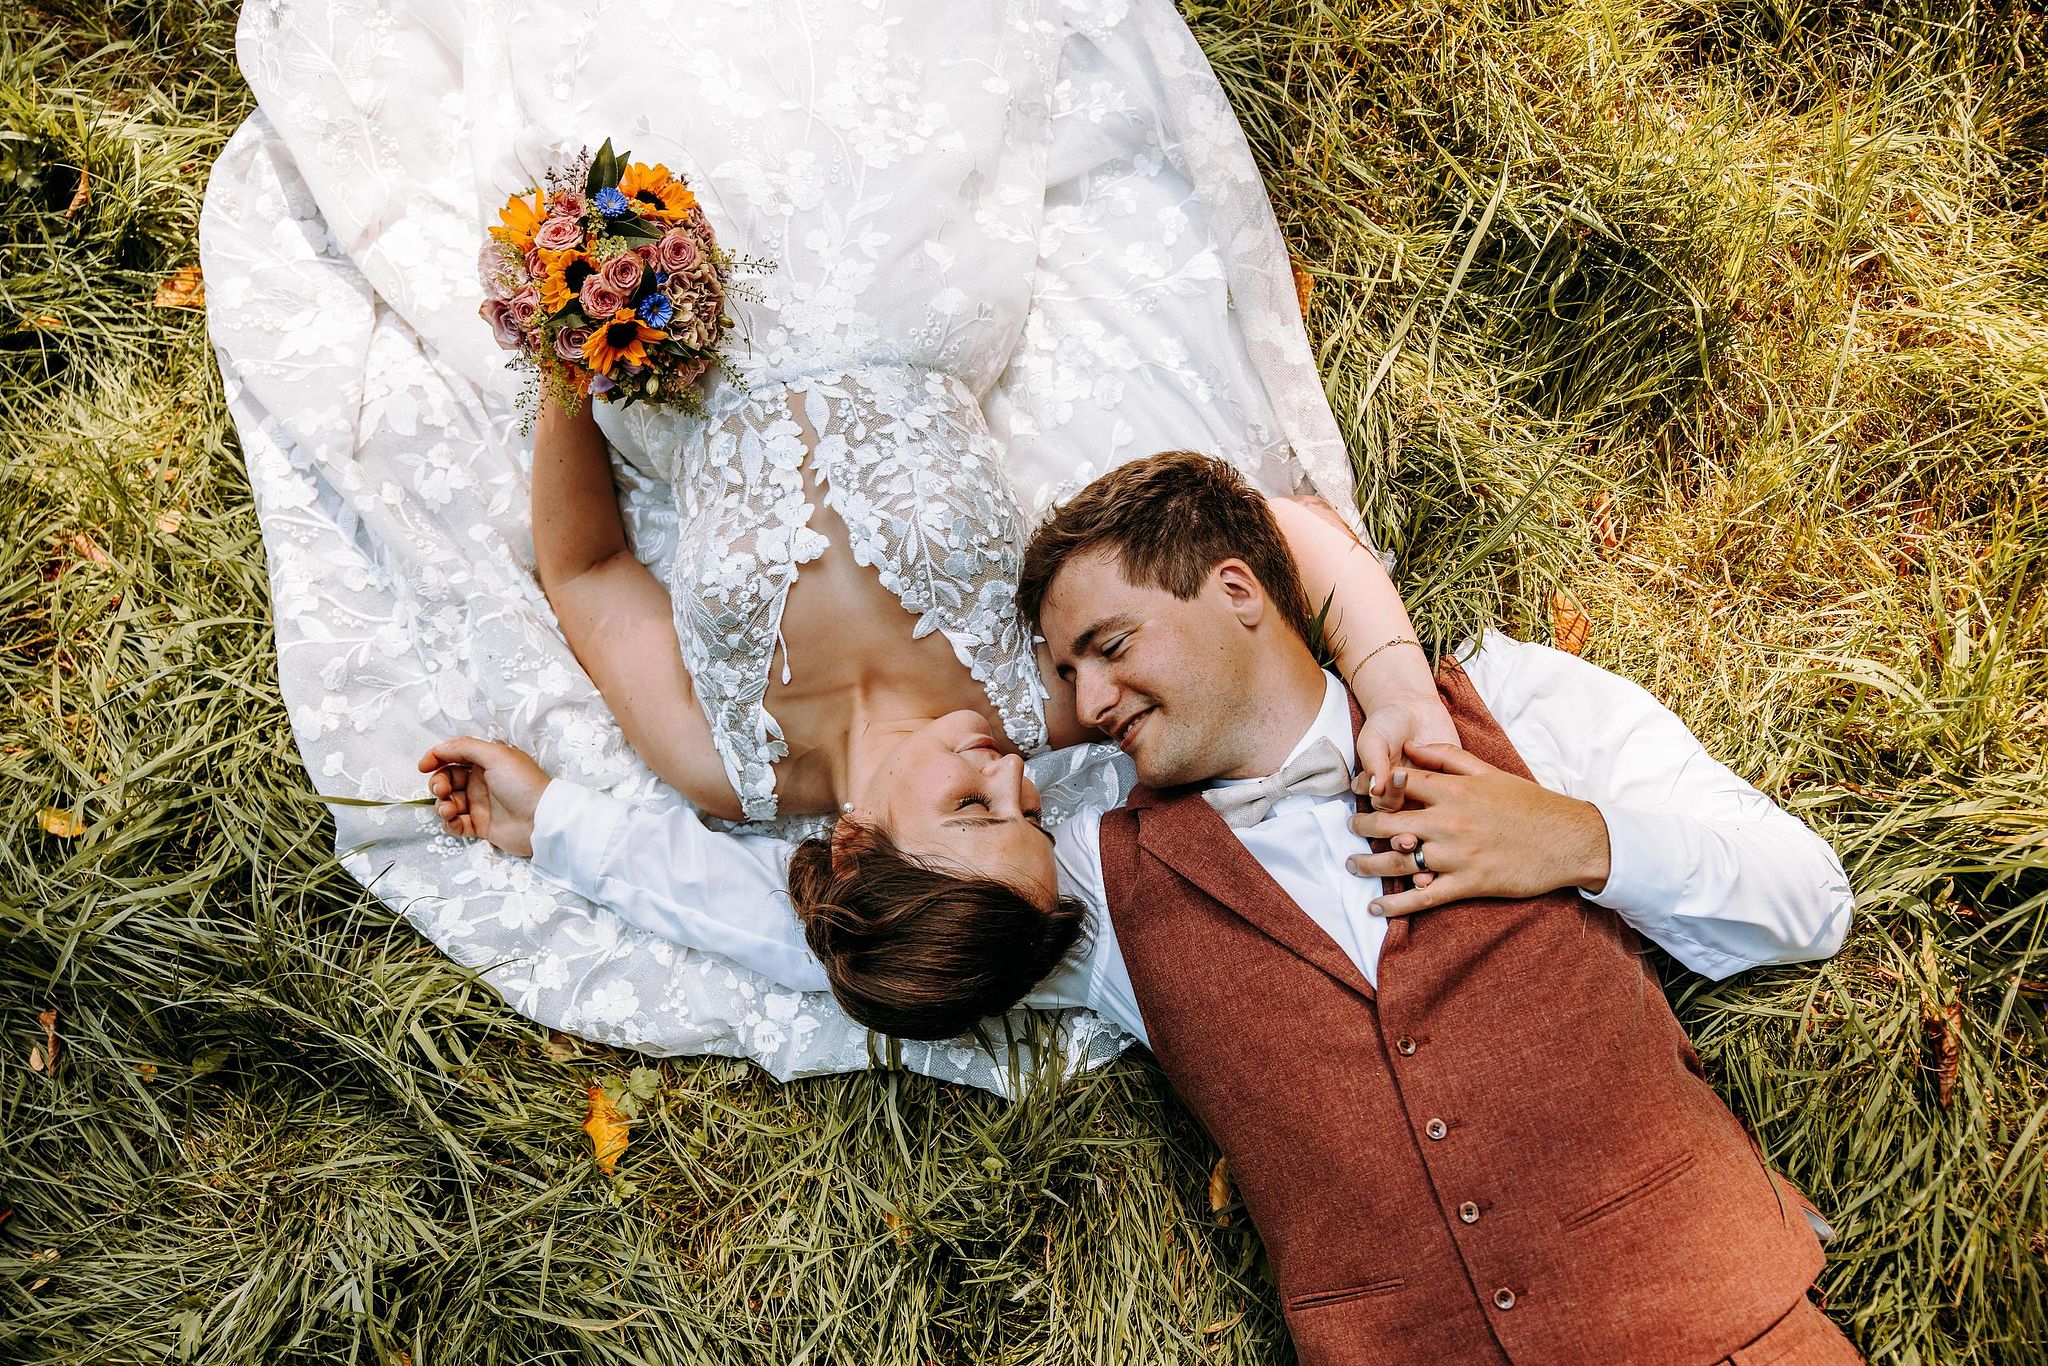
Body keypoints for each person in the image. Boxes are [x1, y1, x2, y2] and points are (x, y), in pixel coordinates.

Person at [203, 0, 1454, 1082]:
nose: (1018, 778)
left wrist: (572, 356)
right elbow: (1285, 547)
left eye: (975, 808)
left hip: (681, 338)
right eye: (1030, 813)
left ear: (851, 843)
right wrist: (1398, 688)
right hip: (905, 278)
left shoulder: (726, 766)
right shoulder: (1055, 691)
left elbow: (587, 572)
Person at [433, 451, 1859, 1362]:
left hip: (1723, 1335)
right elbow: (827, 921)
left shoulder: (1524, 711)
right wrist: (552, 823)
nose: (1082, 704)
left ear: (1238, 592)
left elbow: (1810, 902)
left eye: (1108, 646)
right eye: (1063, 674)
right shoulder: (1105, 895)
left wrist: (1576, 839)